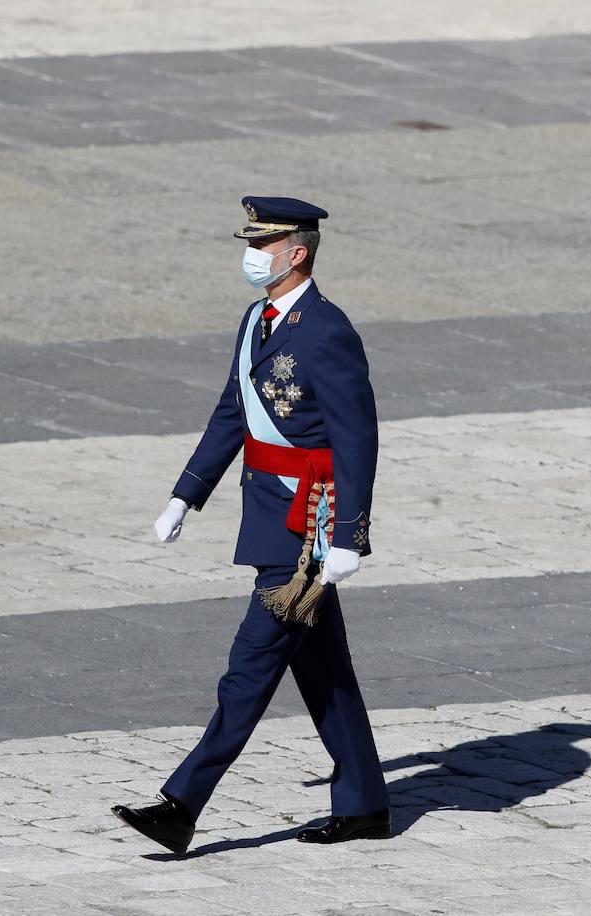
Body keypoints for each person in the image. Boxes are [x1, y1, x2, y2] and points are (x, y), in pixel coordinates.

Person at [111, 196, 390, 855]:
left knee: (251, 665)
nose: (251, 257)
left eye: (262, 247)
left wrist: (347, 536)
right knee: (322, 670)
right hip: (269, 510)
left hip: (310, 525)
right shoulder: (257, 318)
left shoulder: (327, 331)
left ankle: (181, 804)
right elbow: (232, 412)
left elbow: (357, 439)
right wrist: (186, 494)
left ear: (296, 253)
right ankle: (365, 804)